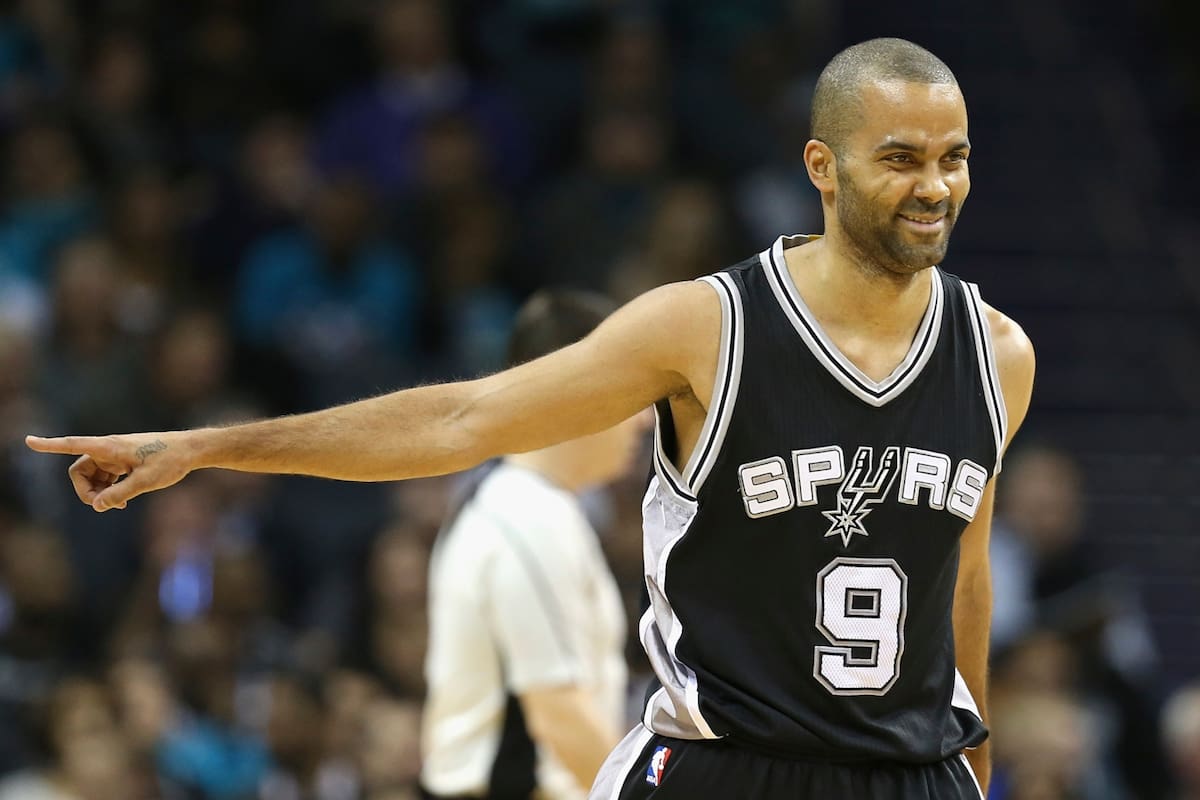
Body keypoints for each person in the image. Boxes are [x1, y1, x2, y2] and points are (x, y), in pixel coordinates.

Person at [26, 37, 1035, 799]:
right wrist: (203, 447)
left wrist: (977, 765)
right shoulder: (707, 327)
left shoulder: (998, 354)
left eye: (954, 157)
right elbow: (462, 417)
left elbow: (967, 586)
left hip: (914, 771)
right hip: (730, 764)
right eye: (900, 157)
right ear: (822, 166)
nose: (934, 185)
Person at [421, 290, 639, 799]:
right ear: (579, 390)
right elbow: (558, 714)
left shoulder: (522, 503)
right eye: (633, 388)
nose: (646, 416)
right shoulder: (525, 515)